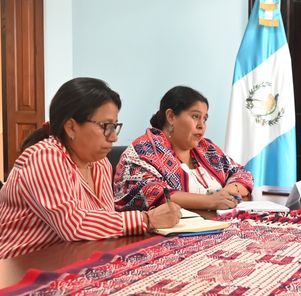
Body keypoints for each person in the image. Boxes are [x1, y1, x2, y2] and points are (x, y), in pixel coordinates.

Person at [0, 77, 180, 259]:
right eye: (106, 126)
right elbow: (74, 225)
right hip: (18, 268)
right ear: (71, 127)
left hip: (71, 258)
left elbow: (102, 223)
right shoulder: (45, 156)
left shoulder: (99, 163)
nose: (113, 137)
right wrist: (146, 219)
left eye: (115, 126)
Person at [113, 86, 253, 212]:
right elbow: (150, 193)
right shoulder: (142, 150)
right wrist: (212, 201)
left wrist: (230, 191)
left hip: (216, 226)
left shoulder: (206, 149)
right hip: (164, 235)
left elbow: (242, 173)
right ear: (171, 116)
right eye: (195, 116)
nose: (201, 126)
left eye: (204, 119)